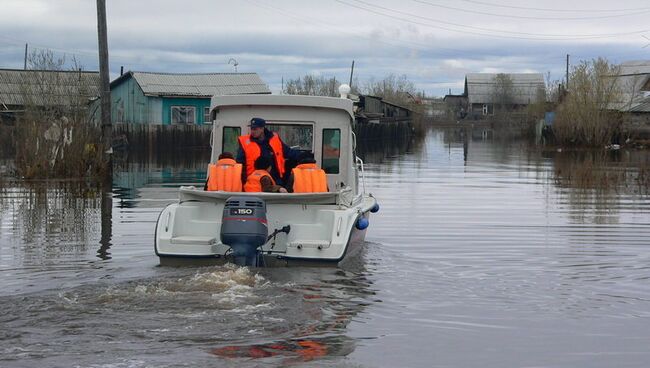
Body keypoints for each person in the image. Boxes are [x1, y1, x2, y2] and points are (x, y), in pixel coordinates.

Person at [237, 117, 299, 185]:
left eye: (255, 129)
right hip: (256, 181)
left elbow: (288, 152)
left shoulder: (274, 139)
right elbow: (240, 164)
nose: (252, 132)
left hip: (276, 180)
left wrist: (304, 156)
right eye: (251, 129)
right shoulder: (245, 143)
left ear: (262, 128)